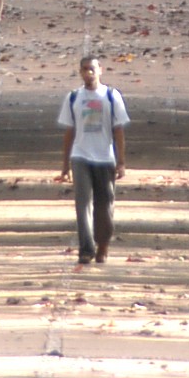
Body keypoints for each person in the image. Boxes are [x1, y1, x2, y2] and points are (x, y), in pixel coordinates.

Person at [55, 55, 129, 265]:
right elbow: (69, 132)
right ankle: (86, 249)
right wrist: (65, 164)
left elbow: (119, 130)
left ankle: (103, 245)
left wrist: (121, 161)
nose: (89, 73)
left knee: (104, 206)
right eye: (85, 69)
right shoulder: (73, 98)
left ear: (100, 70)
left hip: (105, 157)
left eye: (92, 69)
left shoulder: (111, 96)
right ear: (80, 72)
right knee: (83, 204)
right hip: (80, 156)